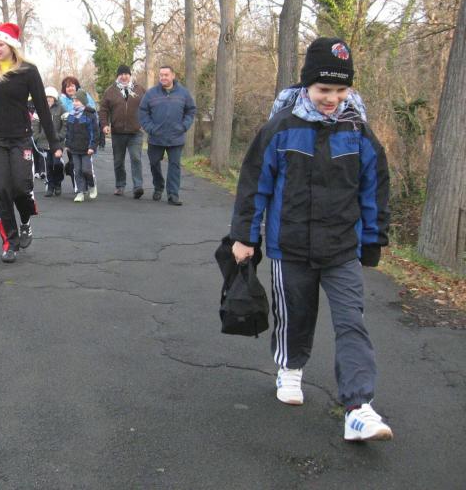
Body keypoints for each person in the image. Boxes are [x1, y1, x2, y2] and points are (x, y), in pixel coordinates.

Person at [229, 37, 393, 442]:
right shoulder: (280, 127)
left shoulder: (358, 131)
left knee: (352, 323)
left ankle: (359, 407)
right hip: (291, 247)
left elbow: (374, 188)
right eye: (324, 89)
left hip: (342, 248)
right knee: (296, 315)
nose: (332, 98)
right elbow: (254, 185)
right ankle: (290, 367)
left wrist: (373, 239)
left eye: (341, 90)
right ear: (306, 85)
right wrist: (245, 237)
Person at [0, 22, 62, 263]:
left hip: (20, 138)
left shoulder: (28, 71)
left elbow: (42, 107)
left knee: (21, 187)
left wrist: (55, 143)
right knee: (2, 188)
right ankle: (9, 242)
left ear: (11, 46)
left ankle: (26, 222)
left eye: (0, 44)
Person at [138, 65, 196, 205]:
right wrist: (150, 128)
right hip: (156, 137)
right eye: (161, 75)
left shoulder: (183, 93)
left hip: (176, 137)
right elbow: (143, 112)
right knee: (154, 163)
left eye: (166, 75)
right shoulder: (151, 94)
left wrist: (184, 126)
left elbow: (191, 111)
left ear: (173, 76)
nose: (163, 77)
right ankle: (158, 187)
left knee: (174, 166)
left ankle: (173, 194)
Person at [99, 64, 146, 198]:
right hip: (117, 132)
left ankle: (138, 187)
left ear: (130, 75)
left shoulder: (140, 89)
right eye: (121, 74)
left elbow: (148, 107)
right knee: (118, 161)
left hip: (135, 132)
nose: (124, 77)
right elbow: (103, 110)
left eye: (126, 74)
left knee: (136, 158)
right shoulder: (110, 91)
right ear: (117, 76)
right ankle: (120, 186)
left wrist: (145, 123)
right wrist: (104, 125)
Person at [65, 89, 99, 202]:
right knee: (77, 170)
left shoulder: (90, 115)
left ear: (83, 102)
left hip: (86, 149)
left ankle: (92, 185)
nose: (75, 103)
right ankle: (80, 192)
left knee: (86, 170)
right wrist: (67, 144)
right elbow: (68, 131)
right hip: (74, 148)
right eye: (74, 101)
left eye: (77, 101)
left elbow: (94, 132)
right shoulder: (71, 115)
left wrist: (92, 147)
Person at [32, 86, 67, 197]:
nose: (48, 99)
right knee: (49, 165)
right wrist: (37, 137)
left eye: (50, 97)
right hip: (44, 143)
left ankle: (58, 183)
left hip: (57, 143)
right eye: (46, 97)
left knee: (57, 164)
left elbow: (66, 124)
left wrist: (61, 136)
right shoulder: (40, 109)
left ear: (54, 98)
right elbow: (35, 124)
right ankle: (50, 186)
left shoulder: (61, 108)